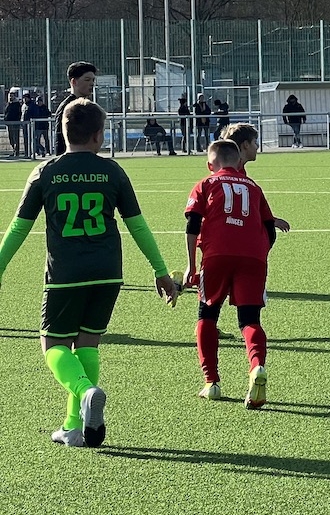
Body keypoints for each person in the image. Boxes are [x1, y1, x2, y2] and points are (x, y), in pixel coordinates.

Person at [0, 99, 178, 447]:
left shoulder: (45, 171)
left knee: (53, 344)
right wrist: (160, 271)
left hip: (66, 273)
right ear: (98, 135)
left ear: (63, 132)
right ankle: (74, 427)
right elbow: (138, 226)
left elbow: (19, 228)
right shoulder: (112, 171)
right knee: (87, 344)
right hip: (108, 272)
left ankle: (85, 391)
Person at [184, 138, 279, 408]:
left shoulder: (205, 184)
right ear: (238, 162)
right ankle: (257, 366)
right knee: (250, 319)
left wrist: (192, 264)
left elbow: (192, 224)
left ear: (210, 164)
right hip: (253, 258)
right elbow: (269, 230)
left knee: (207, 314)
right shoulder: (254, 187)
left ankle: (211, 382)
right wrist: (258, 255)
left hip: (216, 255)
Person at [220, 122, 292, 234]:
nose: (257, 146)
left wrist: (271, 219)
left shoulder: (239, 169)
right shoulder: (233, 172)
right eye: (255, 142)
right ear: (246, 145)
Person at [51, 61, 97, 157]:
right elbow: (60, 139)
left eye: (93, 80)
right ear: (74, 82)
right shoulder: (68, 108)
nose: (92, 83)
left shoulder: (89, 106)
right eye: (87, 80)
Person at [26, 92, 51, 157]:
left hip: (44, 126)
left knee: (46, 139)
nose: (38, 103)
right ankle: (38, 151)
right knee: (37, 140)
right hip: (38, 126)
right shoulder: (35, 107)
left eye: (39, 101)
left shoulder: (45, 107)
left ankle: (47, 151)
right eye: (37, 101)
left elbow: (49, 114)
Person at [4, 88, 24, 157]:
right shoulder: (8, 104)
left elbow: (18, 113)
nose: (10, 97)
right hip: (9, 123)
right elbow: (6, 112)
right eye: (10, 96)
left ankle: (16, 151)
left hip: (15, 123)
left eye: (11, 96)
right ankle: (13, 150)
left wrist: (17, 120)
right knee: (11, 138)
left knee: (16, 137)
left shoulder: (17, 104)